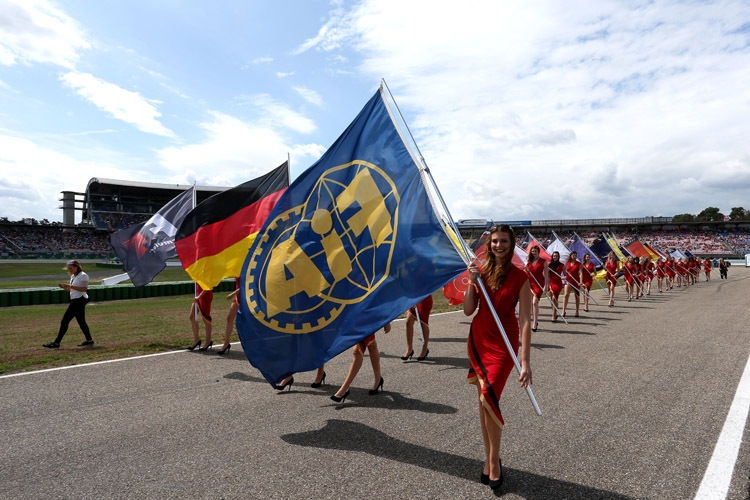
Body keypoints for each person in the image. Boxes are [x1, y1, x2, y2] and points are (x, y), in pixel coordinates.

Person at [465, 224, 531, 491]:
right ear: (488, 243)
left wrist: (525, 362)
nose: (498, 245)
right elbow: (469, 310)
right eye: (494, 241)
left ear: (511, 243)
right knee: (483, 402)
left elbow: (526, 321)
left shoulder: (520, 277)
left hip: (504, 344)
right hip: (479, 339)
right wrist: (471, 281)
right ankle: (491, 457)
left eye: (503, 241)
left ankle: (493, 460)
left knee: (489, 397)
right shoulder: (480, 272)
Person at [330, 323, 391, 403]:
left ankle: (344, 389)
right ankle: (378, 379)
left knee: (357, 351)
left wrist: (387, 321)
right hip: (356, 318)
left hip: (366, 317)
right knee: (372, 345)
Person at [43, 260, 94, 348]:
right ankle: (89, 340)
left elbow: (84, 289)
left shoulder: (83, 275)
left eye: (71, 268)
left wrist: (70, 286)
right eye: (68, 268)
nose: (69, 270)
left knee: (64, 321)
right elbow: (71, 290)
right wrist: (64, 287)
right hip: (76, 300)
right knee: (81, 321)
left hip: (79, 300)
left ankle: (56, 343)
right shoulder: (74, 276)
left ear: (76, 267)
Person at [402, 295, 433, 361]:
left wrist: (419, 299)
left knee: (423, 324)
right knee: (408, 322)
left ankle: (424, 350)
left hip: (424, 299)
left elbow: (428, 287)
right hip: (414, 298)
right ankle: (409, 349)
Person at [525, 246, 548, 331]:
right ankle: (534, 319)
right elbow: (526, 273)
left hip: (539, 284)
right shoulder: (529, 261)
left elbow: (546, 275)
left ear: (538, 252)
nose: (534, 253)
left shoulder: (543, 261)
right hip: (530, 283)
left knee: (535, 302)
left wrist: (546, 286)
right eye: (532, 251)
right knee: (531, 303)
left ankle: (535, 322)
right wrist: (526, 269)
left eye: (535, 251)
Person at [218, 278, 240, 355]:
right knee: (229, 318)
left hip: (247, 298)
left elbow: (245, 285)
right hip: (238, 297)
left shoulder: (246, 267)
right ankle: (226, 343)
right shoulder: (237, 268)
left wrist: (232, 293)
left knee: (248, 321)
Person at [188, 284, 213, 351]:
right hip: (198, 294)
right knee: (192, 316)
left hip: (205, 295)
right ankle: (196, 340)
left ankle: (208, 341)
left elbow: (208, 286)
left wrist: (199, 297)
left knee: (206, 319)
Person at [562, 250, 582, 317]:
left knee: (577, 296)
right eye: (573, 255)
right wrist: (564, 276)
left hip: (576, 281)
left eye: (575, 255)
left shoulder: (579, 264)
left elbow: (581, 273)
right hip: (568, 281)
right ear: (571, 256)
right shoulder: (567, 263)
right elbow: (565, 272)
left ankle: (577, 311)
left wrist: (581, 281)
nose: (574, 256)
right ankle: (563, 310)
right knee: (566, 295)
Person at [546, 251, 564, 321]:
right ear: (552, 257)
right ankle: (555, 313)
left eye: (556, 256)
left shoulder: (562, 265)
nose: (555, 257)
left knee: (554, 298)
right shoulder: (550, 265)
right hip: (551, 283)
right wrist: (547, 271)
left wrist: (563, 277)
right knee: (552, 300)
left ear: (558, 257)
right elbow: (549, 276)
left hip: (558, 284)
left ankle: (553, 316)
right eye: (554, 256)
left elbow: (566, 275)